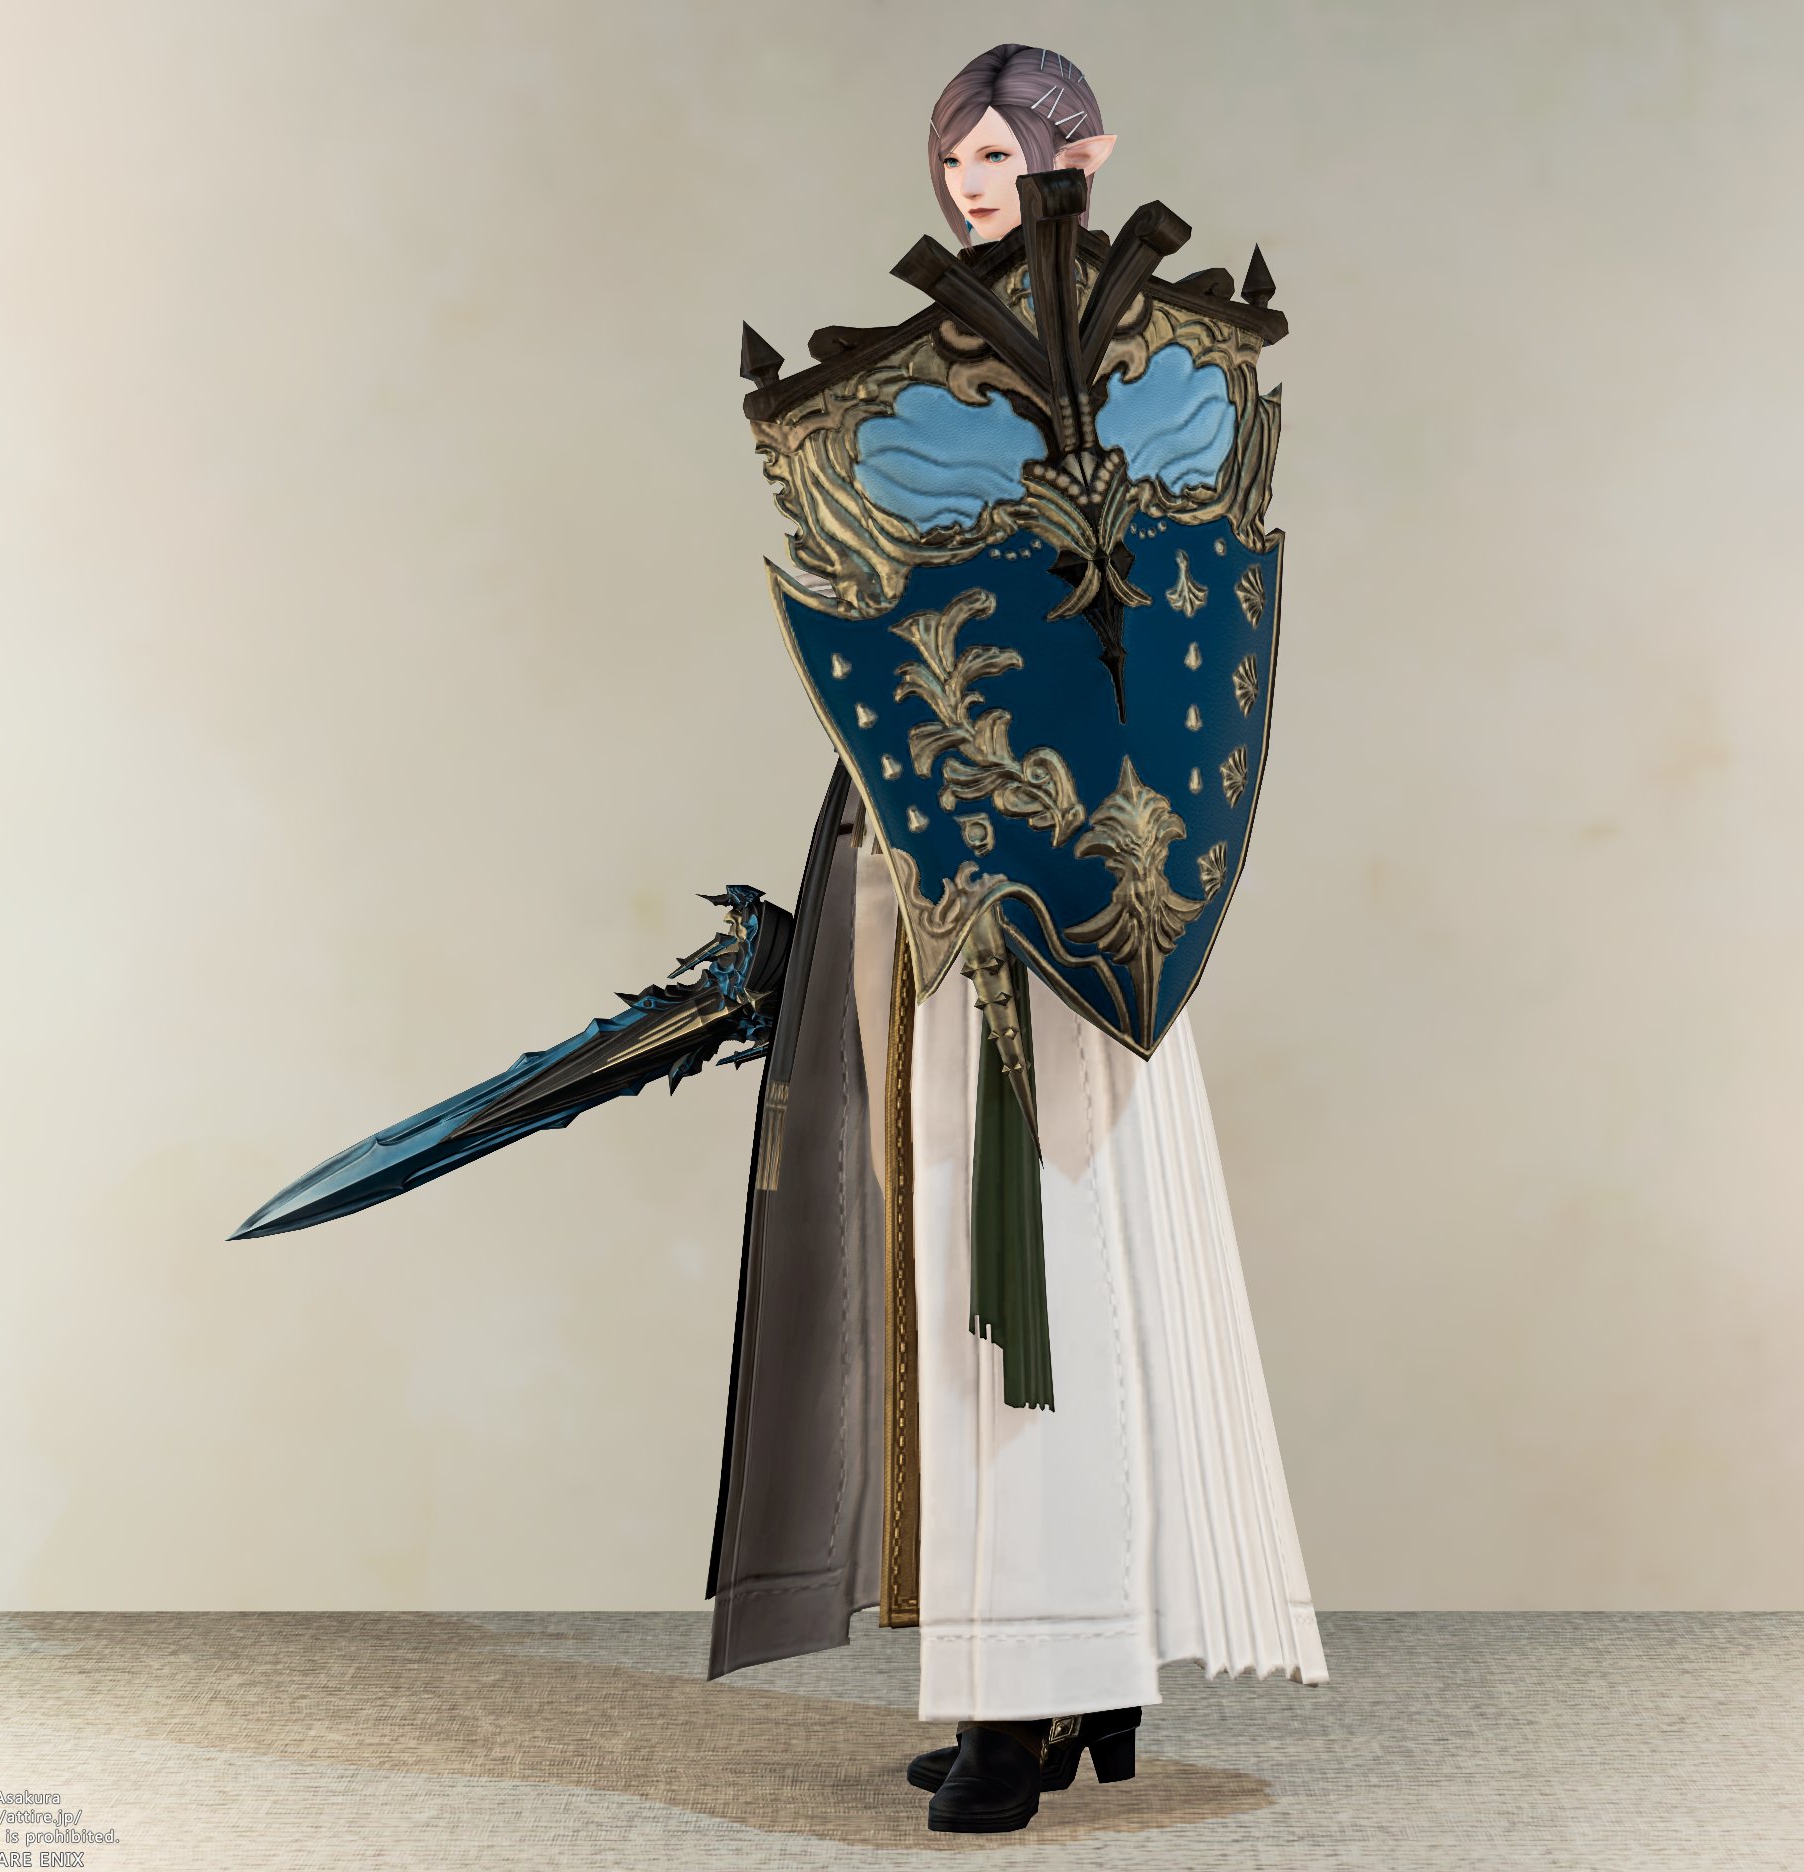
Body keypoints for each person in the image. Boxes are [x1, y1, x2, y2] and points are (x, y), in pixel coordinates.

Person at [705, 43, 1328, 1836]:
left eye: (998, 151)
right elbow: (913, 650)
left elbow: (1167, 644)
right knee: (983, 1277)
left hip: (1065, 905)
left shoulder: (1160, 382)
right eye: (956, 156)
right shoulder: (912, 391)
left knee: (1034, 1280)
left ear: (1087, 149)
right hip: (939, 872)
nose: (971, 181)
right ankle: (1054, 1675)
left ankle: (1032, 1690)